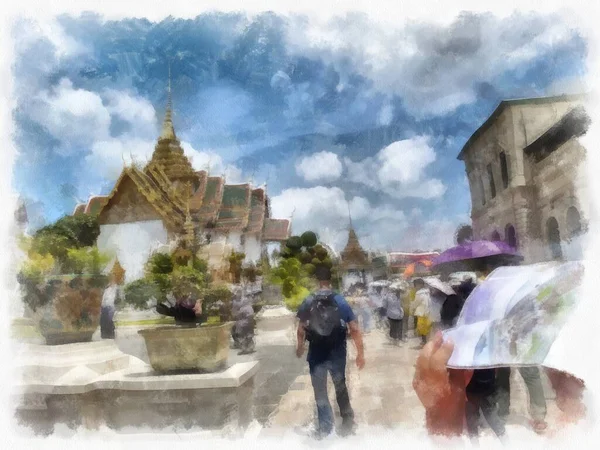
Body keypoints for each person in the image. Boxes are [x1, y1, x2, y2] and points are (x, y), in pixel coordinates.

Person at [413, 332, 585, 437]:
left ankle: (531, 415)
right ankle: (505, 413)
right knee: (505, 379)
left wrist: (443, 426)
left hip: (521, 348)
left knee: (526, 377)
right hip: (504, 349)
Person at [296, 266, 365, 439]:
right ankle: (347, 423)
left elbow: (301, 328)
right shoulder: (340, 300)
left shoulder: (308, 300)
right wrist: (360, 353)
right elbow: (354, 328)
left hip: (316, 353)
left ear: (317, 281)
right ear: (330, 281)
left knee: (320, 391)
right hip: (337, 352)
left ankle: (325, 428)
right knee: (340, 386)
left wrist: (300, 346)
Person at [100, 274, 122, 339]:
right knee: (103, 320)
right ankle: (104, 334)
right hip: (104, 306)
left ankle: (111, 334)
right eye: (110, 279)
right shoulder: (106, 288)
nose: (111, 280)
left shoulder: (117, 288)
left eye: (112, 279)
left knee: (110, 319)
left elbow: (119, 298)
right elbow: (103, 298)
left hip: (111, 306)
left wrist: (117, 307)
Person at [412, 279, 431, 345]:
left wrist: (413, 308)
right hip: (427, 311)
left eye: (416, 285)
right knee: (425, 327)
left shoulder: (418, 293)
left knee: (421, 327)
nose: (415, 287)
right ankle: (425, 341)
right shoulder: (428, 292)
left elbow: (416, 303)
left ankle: (424, 341)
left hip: (421, 312)